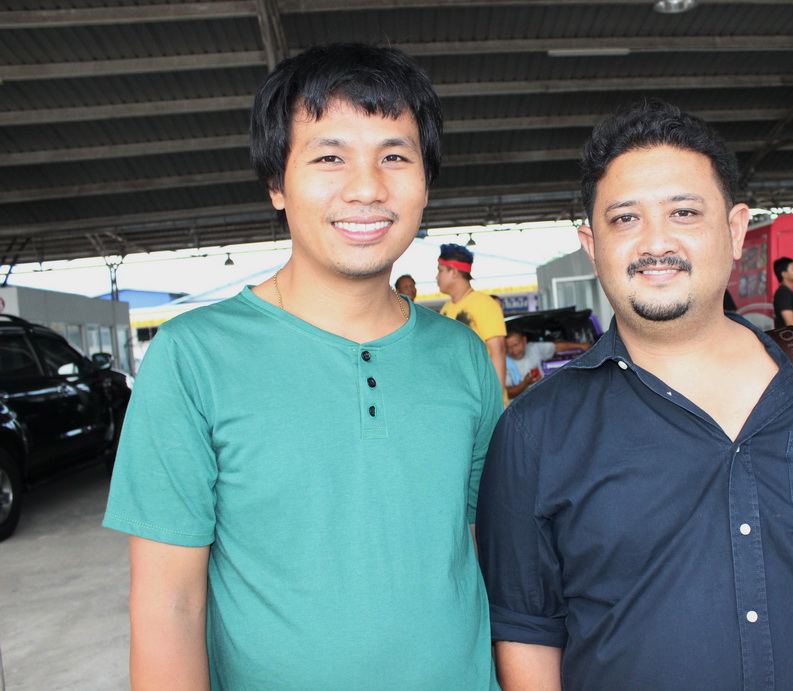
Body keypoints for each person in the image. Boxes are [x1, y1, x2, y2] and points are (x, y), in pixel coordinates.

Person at [476, 99, 793, 690]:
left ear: (735, 229)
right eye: (625, 219)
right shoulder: (536, 429)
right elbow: (527, 630)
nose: (655, 242)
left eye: (684, 212)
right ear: (592, 246)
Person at [104, 43, 503, 690]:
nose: (367, 188)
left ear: (426, 182)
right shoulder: (192, 356)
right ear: (276, 183)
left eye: (395, 157)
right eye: (329, 157)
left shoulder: (461, 354)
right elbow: (168, 605)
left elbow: (491, 553)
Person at [437, 243, 507, 399]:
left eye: (440, 270)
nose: (437, 277)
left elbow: (499, 351)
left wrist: (496, 400)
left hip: (483, 396)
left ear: (453, 272)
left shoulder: (484, 303)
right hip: (458, 397)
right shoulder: (446, 308)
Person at [503, 323, 590, 399]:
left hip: (541, 399)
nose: (514, 350)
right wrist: (525, 383)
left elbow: (556, 347)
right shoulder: (503, 362)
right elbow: (507, 392)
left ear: (524, 340)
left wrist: (580, 346)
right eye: (508, 347)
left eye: (516, 345)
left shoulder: (533, 348)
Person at [772, 256, 793, 330]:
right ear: (784, 274)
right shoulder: (783, 293)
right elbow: (790, 322)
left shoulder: (788, 292)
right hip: (791, 336)